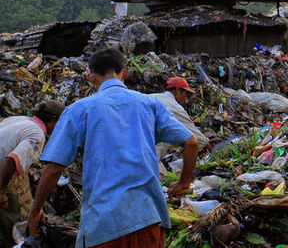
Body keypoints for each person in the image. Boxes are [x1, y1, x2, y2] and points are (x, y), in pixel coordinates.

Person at [27, 48, 198, 247]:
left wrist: (34, 212)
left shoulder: (79, 110)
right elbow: (191, 142)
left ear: (90, 75)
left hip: (104, 224)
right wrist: (183, 182)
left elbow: (54, 168)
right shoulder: (150, 104)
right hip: (149, 217)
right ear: (125, 72)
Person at [0, 101, 64, 247]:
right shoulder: (36, 134)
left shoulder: (22, 120)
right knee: (9, 209)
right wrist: (1, 191)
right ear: (53, 120)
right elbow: (12, 159)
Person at [153, 77, 209, 175]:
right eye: (185, 94)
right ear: (177, 91)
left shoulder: (151, 96)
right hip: (147, 151)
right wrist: (213, 151)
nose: (185, 99)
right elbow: (196, 138)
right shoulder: (174, 106)